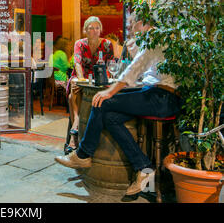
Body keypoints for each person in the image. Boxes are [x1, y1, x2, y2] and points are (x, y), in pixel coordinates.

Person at [54, 17, 182, 199]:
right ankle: (144, 167)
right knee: (110, 117)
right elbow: (145, 68)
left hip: (162, 97)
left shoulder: (155, 37)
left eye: (133, 23)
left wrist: (111, 91)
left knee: (103, 101)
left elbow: (135, 67)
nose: (131, 27)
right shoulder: (156, 37)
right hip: (157, 95)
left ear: (143, 22)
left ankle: (83, 154)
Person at [65, 16, 114, 155]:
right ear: (85, 30)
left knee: (71, 98)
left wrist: (106, 80)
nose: (94, 30)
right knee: (75, 85)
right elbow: (77, 63)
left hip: (100, 78)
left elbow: (110, 65)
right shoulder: (79, 44)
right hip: (82, 77)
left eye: (97, 28)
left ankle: (75, 133)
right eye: (91, 28)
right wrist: (82, 80)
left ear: (101, 30)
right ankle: (77, 130)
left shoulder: (107, 44)